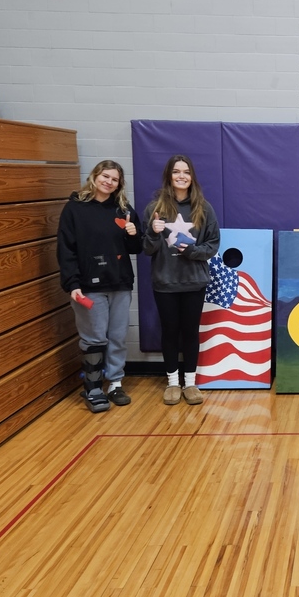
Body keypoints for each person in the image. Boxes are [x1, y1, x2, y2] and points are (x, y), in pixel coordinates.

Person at [57, 160, 143, 413]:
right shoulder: (74, 209)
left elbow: (136, 249)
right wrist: (72, 282)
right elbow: (66, 249)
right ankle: (93, 387)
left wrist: (132, 233)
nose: (109, 182)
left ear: (119, 184)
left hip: (120, 284)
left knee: (117, 336)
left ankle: (115, 383)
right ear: (95, 177)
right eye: (105, 176)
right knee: (94, 338)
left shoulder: (124, 210)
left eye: (114, 179)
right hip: (87, 286)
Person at [143, 154, 219, 406]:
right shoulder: (154, 209)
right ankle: (173, 383)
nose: (181, 176)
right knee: (170, 332)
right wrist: (154, 235)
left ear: (192, 177)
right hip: (165, 282)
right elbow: (148, 249)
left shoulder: (204, 208)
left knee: (190, 332)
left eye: (186, 172)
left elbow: (212, 246)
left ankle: (190, 383)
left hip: (194, 282)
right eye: (176, 171)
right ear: (169, 176)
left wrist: (193, 251)